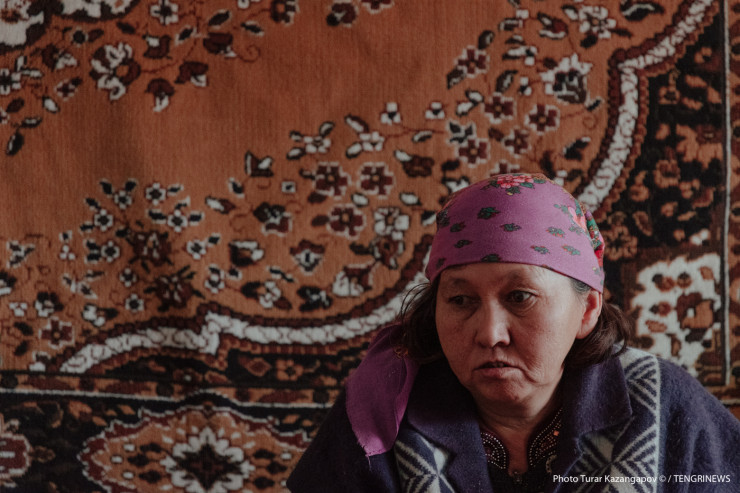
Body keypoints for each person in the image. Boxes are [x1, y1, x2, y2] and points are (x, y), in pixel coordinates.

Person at [287, 173, 740, 492]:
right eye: (460, 300)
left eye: (521, 297)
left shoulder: (663, 406)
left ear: (587, 310)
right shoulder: (382, 411)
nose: (490, 334)